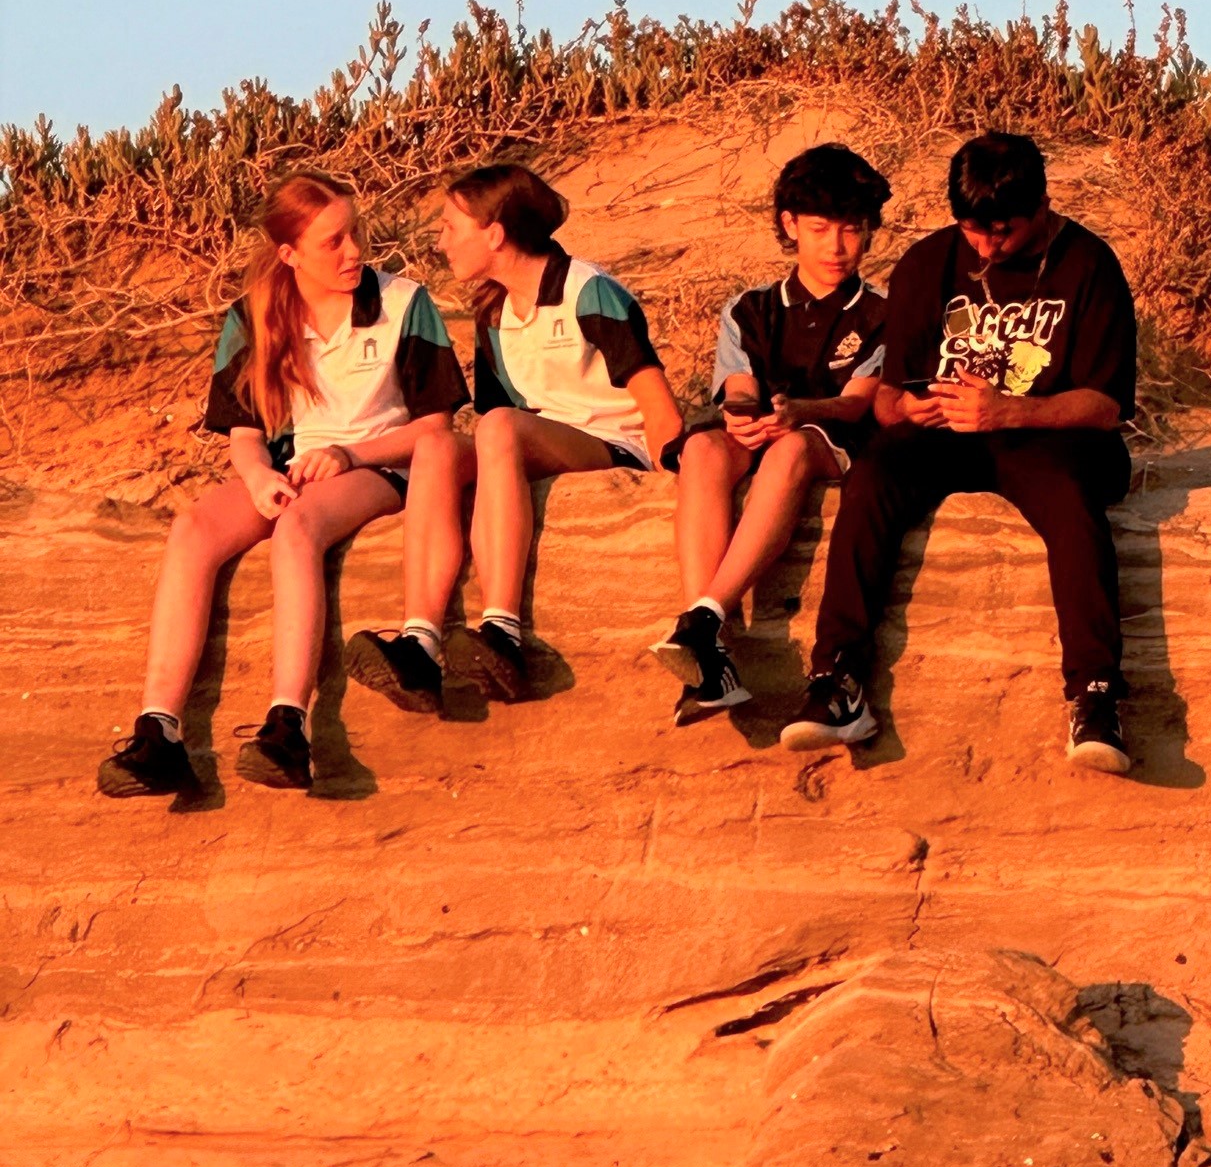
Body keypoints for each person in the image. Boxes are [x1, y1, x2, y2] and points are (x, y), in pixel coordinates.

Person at [97, 170, 469, 800]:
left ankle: (287, 726)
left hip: (382, 464)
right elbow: (243, 432)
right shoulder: (253, 316)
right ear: (289, 253)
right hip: (292, 469)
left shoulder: (406, 303)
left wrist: (349, 454)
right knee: (192, 530)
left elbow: (435, 429)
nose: (353, 251)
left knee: (297, 528)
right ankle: (159, 731)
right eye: (333, 241)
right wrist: (259, 476)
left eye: (355, 233)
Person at [779, 130, 1138, 773]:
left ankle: (1095, 695)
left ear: (1042, 206)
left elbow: (1106, 404)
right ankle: (837, 681)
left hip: (1048, 437)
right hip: (943, 434)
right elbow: (889, 393)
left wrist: (1014, 410)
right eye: (972, 230)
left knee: (1070, 499)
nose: (984, 245)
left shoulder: (1088, 264)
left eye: (1001, 231)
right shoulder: (927, 263)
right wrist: (904, 411)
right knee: (874, 475)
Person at [344, 162, 683, 711]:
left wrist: (676, 478)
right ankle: (419, 644)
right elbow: (496, 432)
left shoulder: (589, 291)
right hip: (532, 443)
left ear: (495, 235)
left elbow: (657, 405)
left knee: (495, 426)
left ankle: (503, 632)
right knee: (434, 446)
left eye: (452, 227)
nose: (440, 242)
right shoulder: (493, 310)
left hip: (614, 445)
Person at [650, 143, 891, 724]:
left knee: (790, 445)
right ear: (789, 226)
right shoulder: (750, 307)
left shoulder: (883, 312)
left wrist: (795, 411)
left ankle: (706, 617)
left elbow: (855, 405)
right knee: (704, 447)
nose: (837, 247)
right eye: (819, 229)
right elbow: (737, 386)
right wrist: (740, 413)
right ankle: (713, 662)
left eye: (853, 231)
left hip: (830, 440)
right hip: (767, 429)